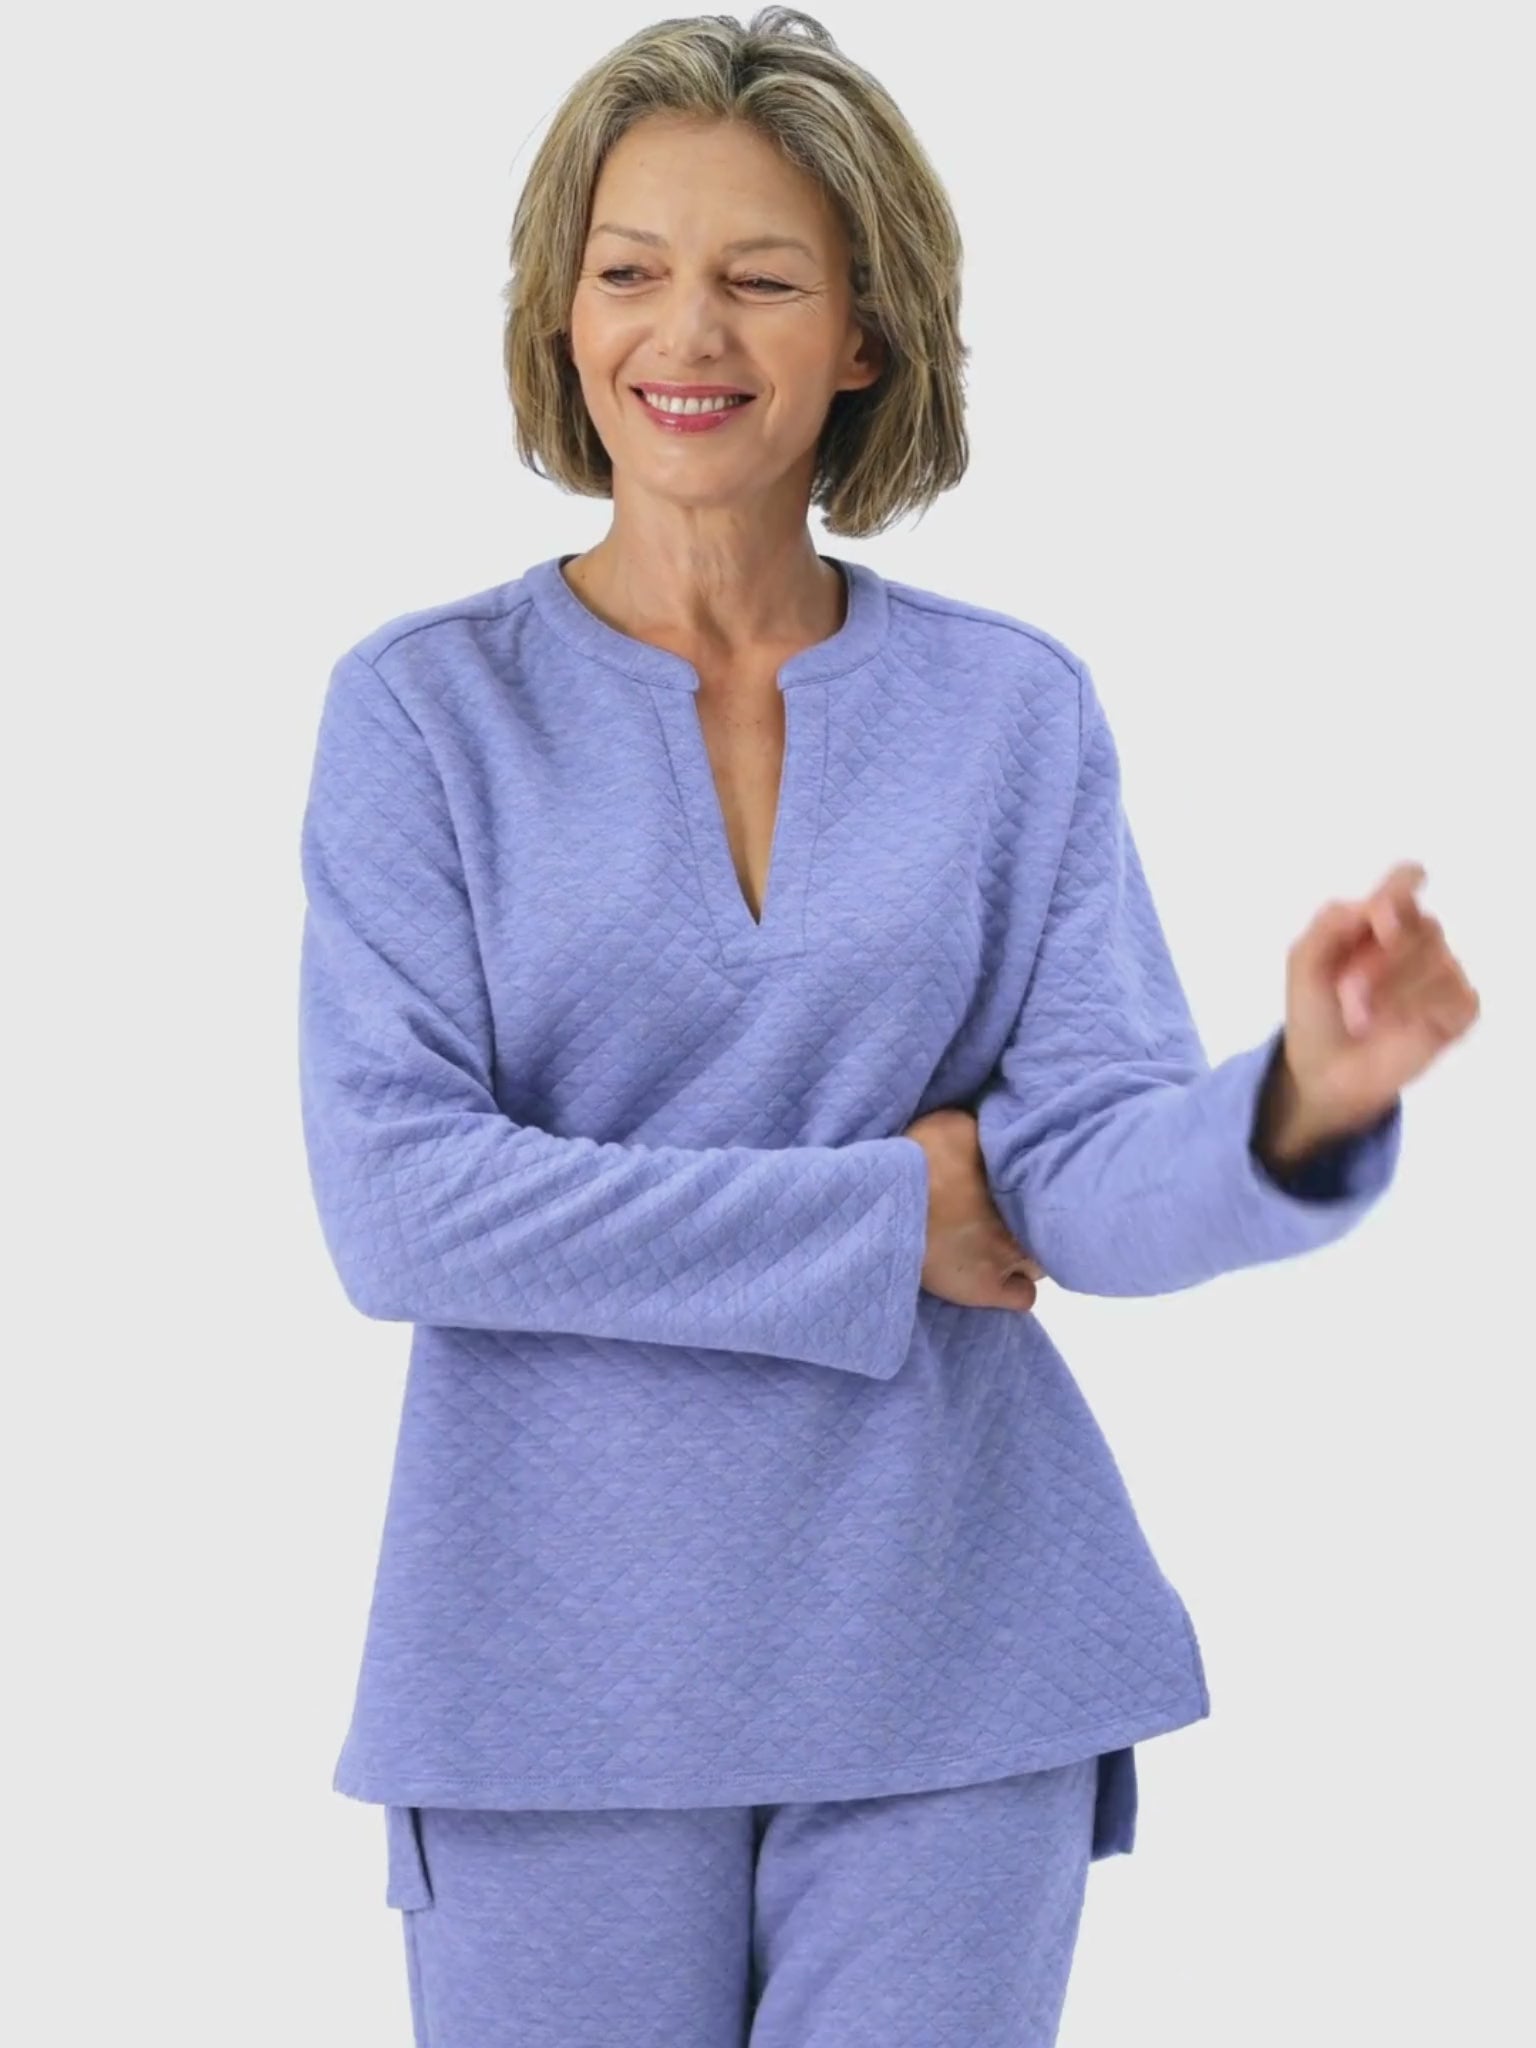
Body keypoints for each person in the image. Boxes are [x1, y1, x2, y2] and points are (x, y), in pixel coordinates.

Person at [296, 11, 1479, 2045]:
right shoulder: (423, 714)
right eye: (630, 268)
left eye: (762, 278)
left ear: (863, 332)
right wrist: (880, 1216)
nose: (687, 330)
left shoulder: (1012, 713)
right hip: (552, 1689)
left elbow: (1074, 1179)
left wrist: (1299, 1100)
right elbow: (401, 1204)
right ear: (562, 310)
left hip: (956, 1654)